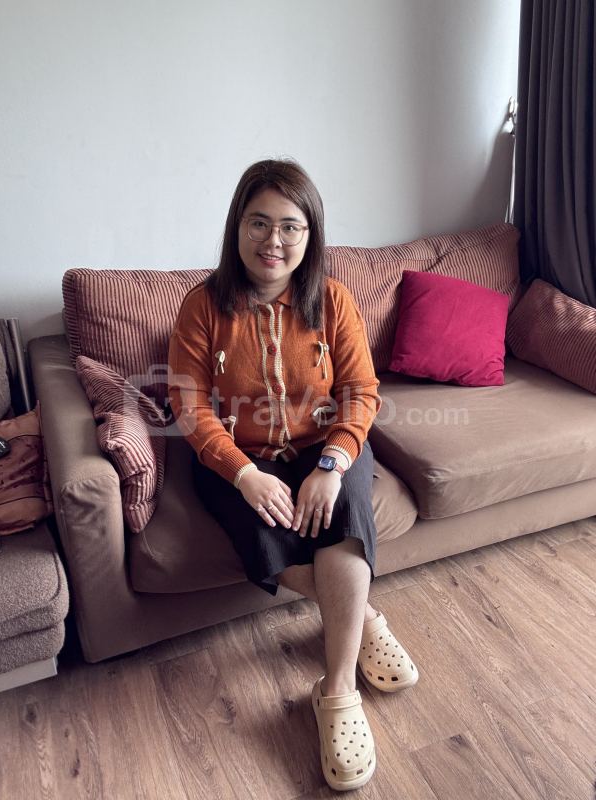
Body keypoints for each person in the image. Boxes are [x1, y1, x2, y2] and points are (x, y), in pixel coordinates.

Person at [168, 158, 418, 791]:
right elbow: (188, 406)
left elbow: (361, 390)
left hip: (328, 445)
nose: (272, 241)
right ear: (237, 226)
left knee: (343, 523)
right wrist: (242, 473)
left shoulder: (332, 299)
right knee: (268, 538)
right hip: (236, 456)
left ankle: (336, 692)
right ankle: (363, 617)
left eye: (289, 226)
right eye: (258, 223)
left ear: (311, 234)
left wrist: (333, 464)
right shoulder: (202, 306)